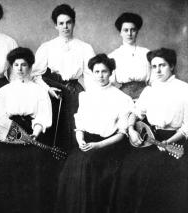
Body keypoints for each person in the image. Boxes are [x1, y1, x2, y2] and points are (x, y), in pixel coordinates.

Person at [56, 54, 133, 213]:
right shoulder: (86, 96)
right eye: (96, 71)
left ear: (111, 72)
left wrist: (98, 145)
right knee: (71, 171)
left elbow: (121, 133)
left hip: (108, 147)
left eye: (104, 71)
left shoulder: (122, 98)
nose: (100, 75)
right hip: (87, 144)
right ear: (92, 73)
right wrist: (80, 141)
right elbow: (80, 125)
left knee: (89, 168)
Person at [114, 48, 188, 213]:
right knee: (129, 171)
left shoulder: (184, 89)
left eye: (162, 65)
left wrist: (168, 142)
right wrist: (132, 129)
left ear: (172, 66)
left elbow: (186, 127)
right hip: (149, 138)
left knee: (161, 177)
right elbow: (136, 113)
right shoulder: (149, 90)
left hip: (174, 140)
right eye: (154, 67)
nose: (158, 70)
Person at [0, 47, 52, 213]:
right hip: (8, 134)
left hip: (32, 134)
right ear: (11, 67)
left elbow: (43, 116)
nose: (19, 68)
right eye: (16, 64)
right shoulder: (3, 91)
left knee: (31, 177)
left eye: (23, 64)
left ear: (30, 67)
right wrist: (12, 133)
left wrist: (35, 134)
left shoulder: (39, 91)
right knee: (8, 175)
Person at [32, 3, 95, 150]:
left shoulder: (85, 47)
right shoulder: (47, 47)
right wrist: (48, 90)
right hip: (54, 92)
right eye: (61, 23)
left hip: (74, 92)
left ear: (74, 23)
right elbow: (35, 75)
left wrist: (91, 97)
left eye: (68, 22)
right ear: (56, 26)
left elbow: (90, 77)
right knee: (53, 129)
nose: (65, 27)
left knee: (75, 128)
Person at [109, 12, 150, 100]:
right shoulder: (113, 56)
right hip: (123, 98)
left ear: (137, 31)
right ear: (120, 32)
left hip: (145, 97)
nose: (129, 33)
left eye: (133, 30)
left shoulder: (146, 53)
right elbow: (110, 83)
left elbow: (154, 80)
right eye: (126, 30)